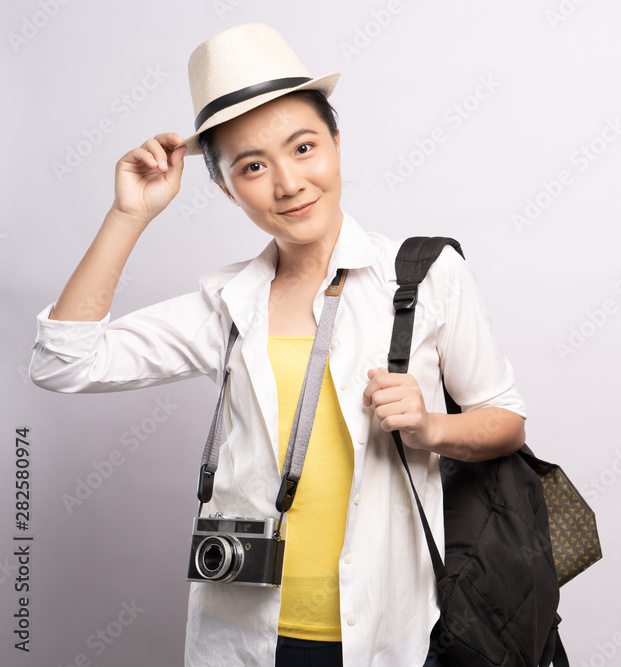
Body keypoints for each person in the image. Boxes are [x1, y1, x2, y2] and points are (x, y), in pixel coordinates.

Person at [28, 23, 527, 667]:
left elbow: (506, 420)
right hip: (245, 639)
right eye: (253, 167)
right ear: (226, 188)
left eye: (304, 147)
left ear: (337, 143)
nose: (288, 183)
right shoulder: (226, 306)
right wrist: (129, 216)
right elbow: (64, 362)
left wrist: (430, 426)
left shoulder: (423, 277)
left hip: (389, 635)